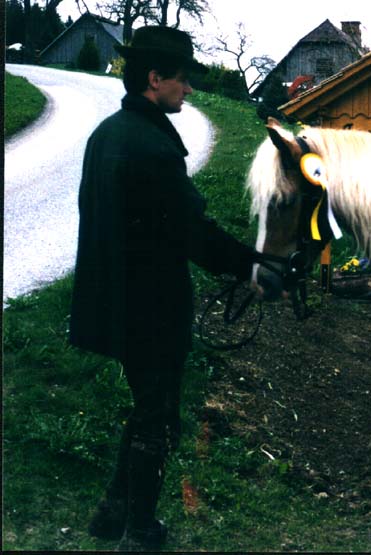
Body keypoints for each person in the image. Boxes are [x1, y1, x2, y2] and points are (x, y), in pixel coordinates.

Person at [69, 26, 267, 551]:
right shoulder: (152, 145)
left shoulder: (108, 134)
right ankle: (139, 532)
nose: (190, 89)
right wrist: (251, 267)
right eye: (183, 79)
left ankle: (112, 513)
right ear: (155, 79)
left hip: (114, 301)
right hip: (151, 308)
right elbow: (191, 231)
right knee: (158, 419)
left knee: (147, 408)